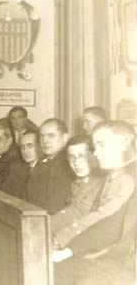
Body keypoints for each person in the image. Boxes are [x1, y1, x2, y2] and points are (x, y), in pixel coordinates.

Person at [53, 121, 136, 285]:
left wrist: (68, 250)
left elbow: (111, 223)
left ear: (123, 142)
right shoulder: (112, 175)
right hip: (109, 252)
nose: (96, 153)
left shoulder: (130, 178)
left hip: (122, 260)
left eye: (101, 145)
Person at [50, 135, 106, 248]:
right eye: (71, 157)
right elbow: (67, 213)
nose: (76, 162)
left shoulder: (103, 184)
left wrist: (57, 239)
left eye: (82, 156)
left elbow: (85, 219)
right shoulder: (76, 182)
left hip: (83, 244)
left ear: (93, 155)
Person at [25, 118, 75, 214]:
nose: (45, 141)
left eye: (51, 136)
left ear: (64, 138)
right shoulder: (43, 161)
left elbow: (55, 206)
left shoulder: (67, 163)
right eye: (42, 136)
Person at [3, 131, 42, 198]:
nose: (25, 151)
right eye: (22, 147)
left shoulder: (46, 169)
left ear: (40, 146)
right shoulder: (18, 168)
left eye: (30, 146)